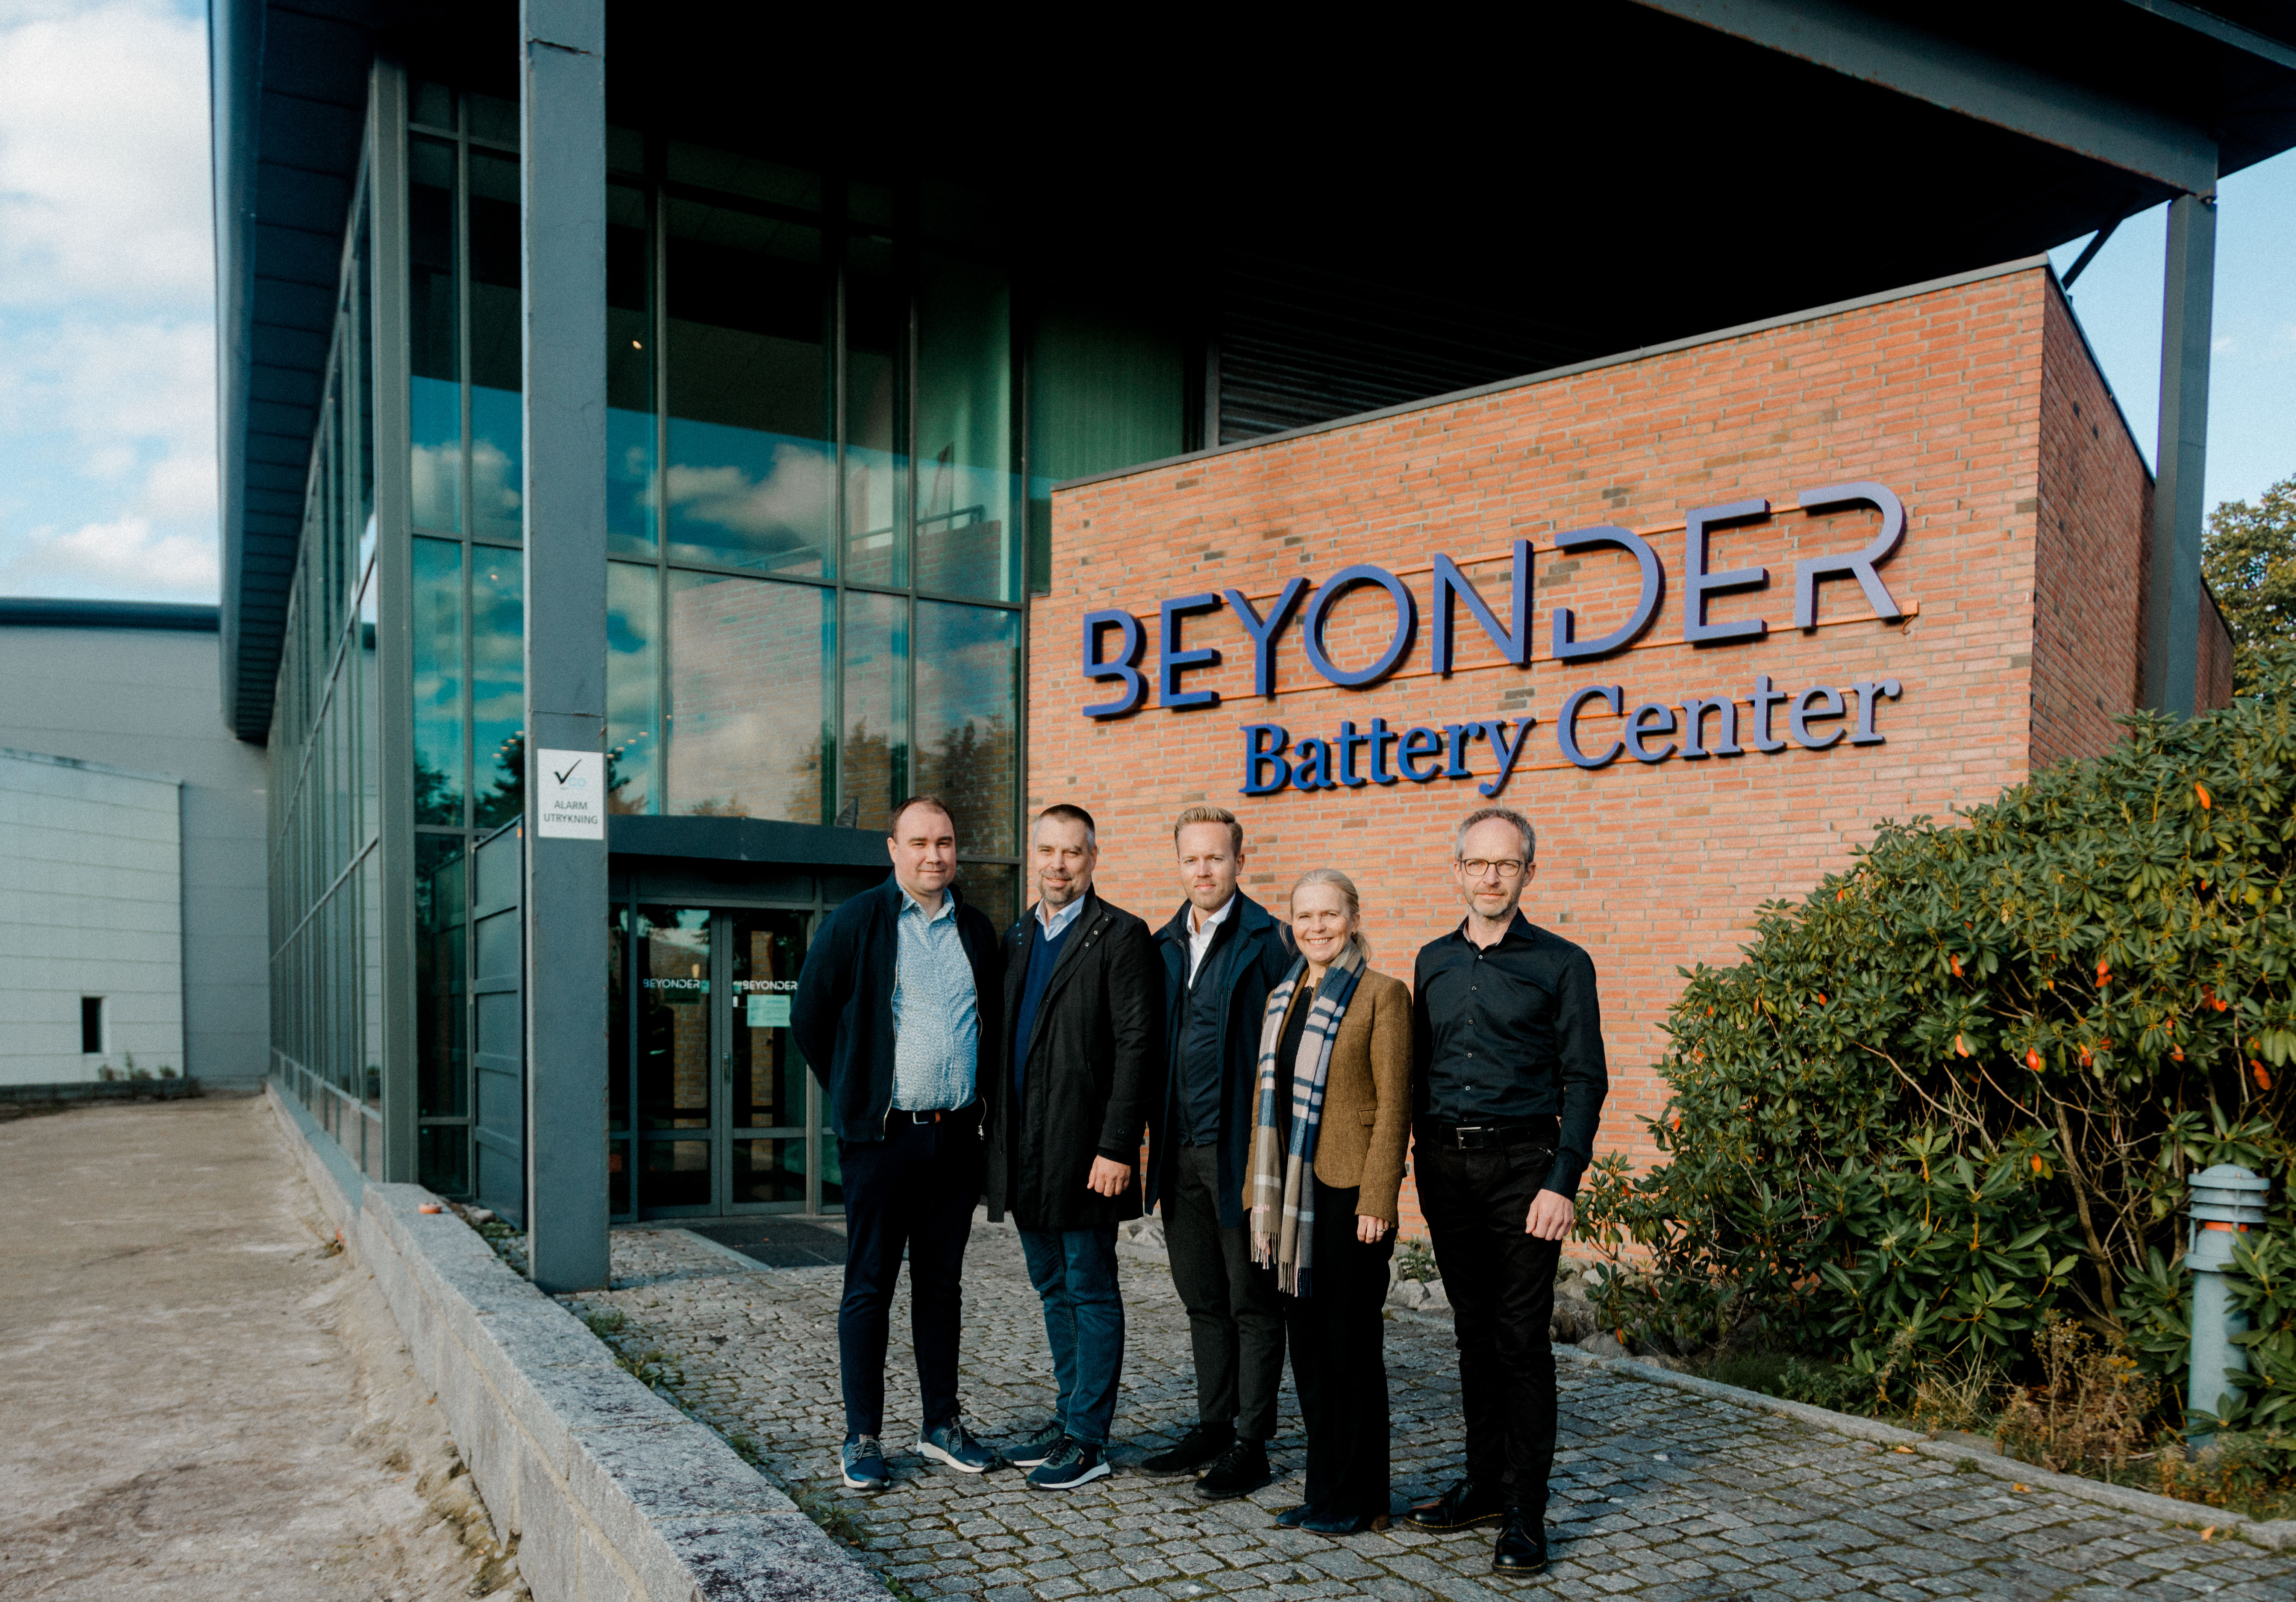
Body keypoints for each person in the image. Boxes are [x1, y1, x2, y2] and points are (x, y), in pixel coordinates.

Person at [1404, 804, 1609, 1573]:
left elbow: (1585, 1079)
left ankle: (1526, 1511)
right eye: (1478, 863)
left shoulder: (1563, 963)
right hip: (1445, 1168)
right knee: (1472, 1333)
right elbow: (1419, 1067)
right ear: (1457, 869)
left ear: (1529, 872)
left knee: (1519, 1341)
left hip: (1526, 1172)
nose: (1491, 876)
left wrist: (1564, 1180)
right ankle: (1484, 1484)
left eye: (1507, 864)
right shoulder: (1431, 961)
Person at [790, 795, 1004, 1493]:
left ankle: (941, 1424)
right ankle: (863, 1435)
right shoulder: (858, 920)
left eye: (944, 842)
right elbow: (810, 1017)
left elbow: (992, 1027)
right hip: (882, 1141)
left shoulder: (976, 929)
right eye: (919, 842)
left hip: (955, 1138)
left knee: (941, 1287)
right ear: (893, 849)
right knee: (870, 1286)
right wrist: (855, 1093)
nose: (933, 855)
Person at [985, 804, 1159, 1491]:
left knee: (1090, 1287)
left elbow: (1139, 1046)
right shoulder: (1018, 934)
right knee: (1052, 1286)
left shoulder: (1121, 934)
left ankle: (1089, 1438)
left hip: (1087, 1151)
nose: (1059, 864)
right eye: (1048, 851)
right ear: (1035, 855)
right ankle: (1066, 1417)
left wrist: (1118, 1145)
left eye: (1073, 852)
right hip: (1026, 1149)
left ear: (1093, 857)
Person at [1251, 868, 1412, 1536]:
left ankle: (1364, 1497)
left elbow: (1395, 1105)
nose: (1317, 927)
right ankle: (1323, 1492)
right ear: (1292, 925)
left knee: (1352, 1352)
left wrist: (1379, 1198)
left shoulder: (1383, 994)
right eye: (1305, 916)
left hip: (1350, 1199)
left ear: (1353, 917)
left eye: (1330, 914)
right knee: (1312, 1356)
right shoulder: (1282, 997)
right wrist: (1255, 1193)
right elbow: (1266, 1105)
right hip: (1292, 1203)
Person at [1141, 804, 1295, 1499]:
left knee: (1252, 1302)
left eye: (1216, 857)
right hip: (1178, 1151)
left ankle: (1252, 1444)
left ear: (1239, 861)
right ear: (1179, 864)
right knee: (1202, 1298)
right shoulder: (1163, 943)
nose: (1203, 869)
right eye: (1191, 858)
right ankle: (1213, 1425)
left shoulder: (1271, 941)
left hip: (1241, 1154)